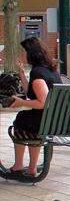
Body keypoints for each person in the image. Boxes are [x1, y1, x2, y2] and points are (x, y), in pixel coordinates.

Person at [6, 38, 61, 176]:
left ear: (31, 54)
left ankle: (19, 166)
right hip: (55, 120)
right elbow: (32, 92)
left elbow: (43, 102)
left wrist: (20, 102)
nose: (23, 55)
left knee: (21, 121)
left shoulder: (37, 73)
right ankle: (31, 167)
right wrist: (22, 74)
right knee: (28, 122)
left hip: (43, 122)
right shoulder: (51, 71)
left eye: (24, 52)